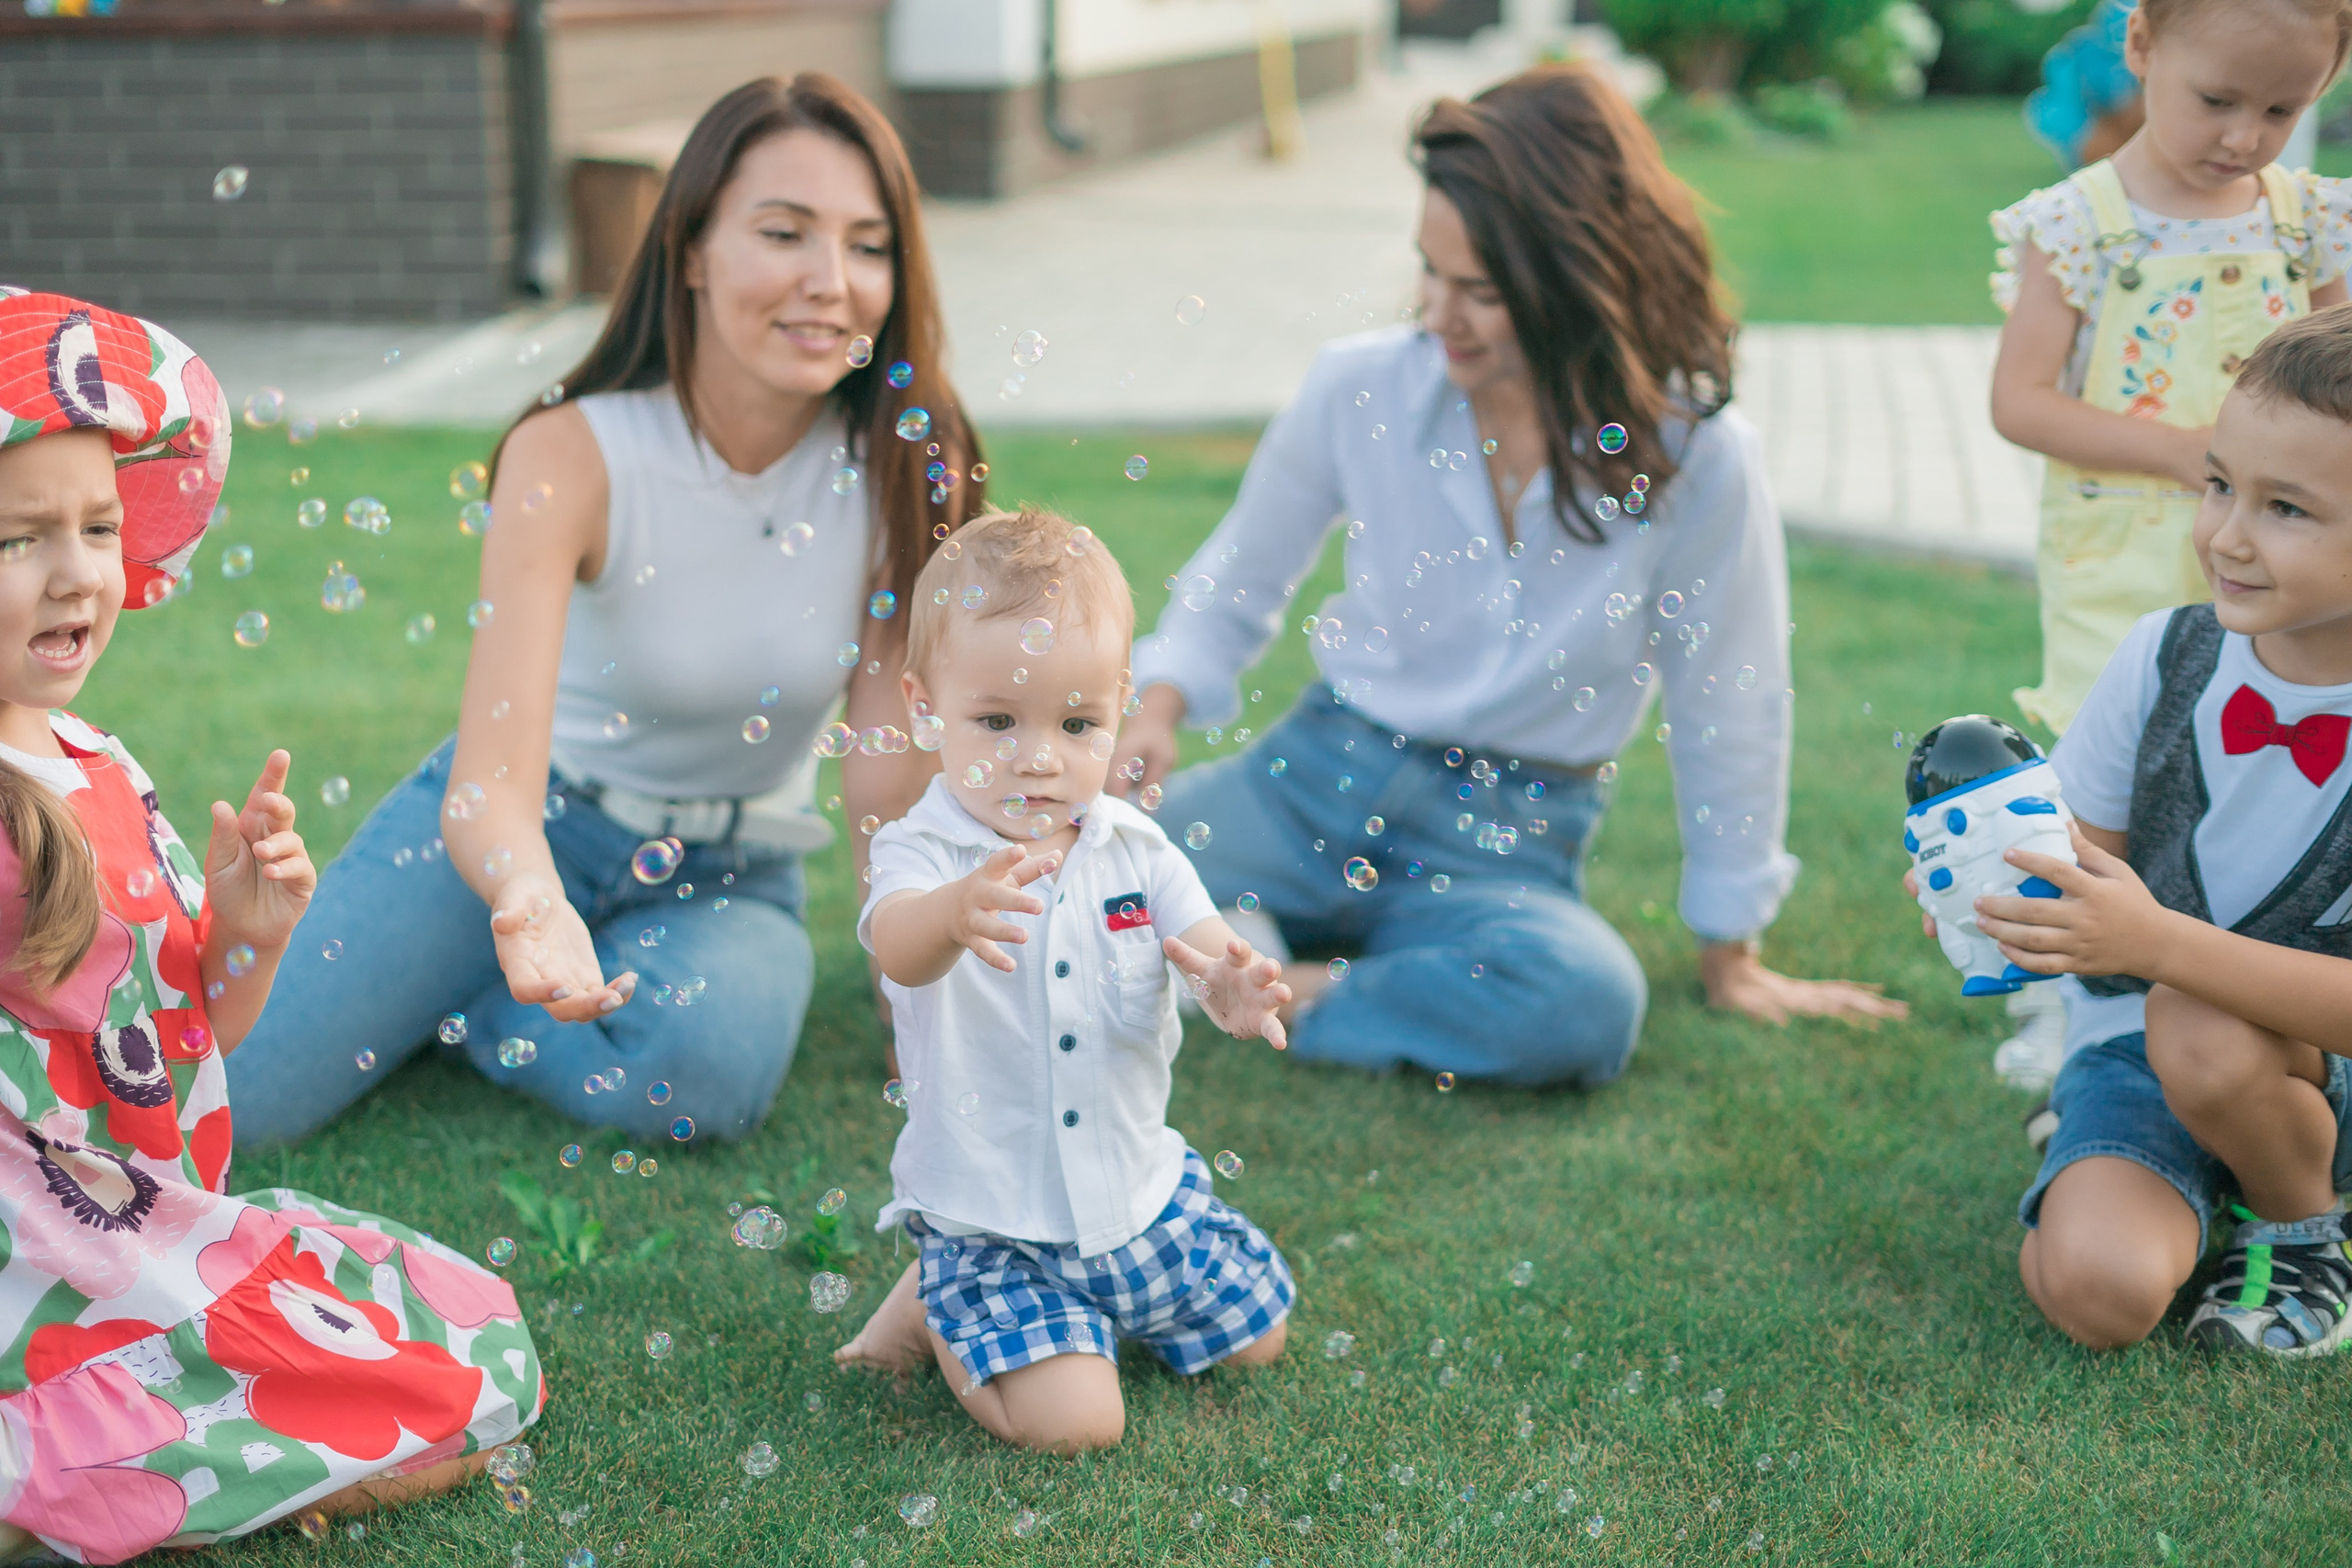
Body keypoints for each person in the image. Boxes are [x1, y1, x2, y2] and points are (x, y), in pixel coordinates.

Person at [1114, 63, 1903, 1091]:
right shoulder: (1359, 385)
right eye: (1428, 272)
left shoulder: (1700, 458)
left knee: (1585, 1003)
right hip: (1311, 779)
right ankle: (1263, 945)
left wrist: (1731, 948)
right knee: (1076, 853)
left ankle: (1285, 984)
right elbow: (1239, 574)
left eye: (1480, 291)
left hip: (1503, 841)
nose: (1438, 312)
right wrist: (1158, 706)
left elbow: (1729, 700)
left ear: (1574, 279)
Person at [226, 74, 974, 1147]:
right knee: (240, 1102)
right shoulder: (571, 452)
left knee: (703, 1073)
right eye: (783, 233)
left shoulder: (907, 459)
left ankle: (472, 1012)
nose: (830, 283)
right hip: (529, 829)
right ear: (690, 250)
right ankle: (480, 969)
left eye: (868, 246)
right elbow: (491, 783)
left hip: (731, 873)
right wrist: (530, 905)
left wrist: (916, 1000)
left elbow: (887, 776)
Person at [0, 288, 542, 1561]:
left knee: (464, 1328)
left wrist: (245, 934)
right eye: (18, 537)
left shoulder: (95, 760)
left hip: (140, 1220)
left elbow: (184, 1040)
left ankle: (102, 1457)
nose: (79, 570)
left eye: (98, 526)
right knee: (434, 1389)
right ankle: (52, 1467)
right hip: (45, 1266)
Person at [833, 508, 1294, 1453]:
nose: (1038, 756)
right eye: (996, 721)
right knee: (1078, 1427)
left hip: (1134, 1196)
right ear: (925, 706)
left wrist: (1232, 988)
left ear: (1119, 707)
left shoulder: (1137, 848)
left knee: (1261, 1343)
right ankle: (944, 1300)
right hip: (995, 1218)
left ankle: (1017, 1316)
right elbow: (898, 947)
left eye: (1077, 723)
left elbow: (1206, 948)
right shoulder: (923, 853)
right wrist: (953, 913)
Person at [1962, 306, 2352, 1356]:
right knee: (2100, 1292)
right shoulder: (2162, 657)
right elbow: (2069, 870)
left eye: (2285, 508)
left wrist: (2158, 944)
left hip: (2321, 1075)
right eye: (2219, 485)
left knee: (2200, 1023)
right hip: (2136, 1048)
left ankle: (2299, 1226)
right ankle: (2135, 1155)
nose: (2226, 535)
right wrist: (1994, 899)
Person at [1986, 0, 2351, 1092]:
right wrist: (2184, 454)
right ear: (2140, 47)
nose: (2243, 136)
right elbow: (2019, 401)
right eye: (2216, 100)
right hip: (2126, 551)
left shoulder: (2307, 221)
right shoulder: (2079, 224)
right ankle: (2074, 996)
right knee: (2110, 761)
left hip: (2290, 554)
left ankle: (2244, 964)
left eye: (2279, 110)